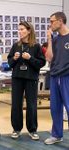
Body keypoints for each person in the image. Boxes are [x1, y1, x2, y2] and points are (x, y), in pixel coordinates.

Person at [7, 21, 46, 140]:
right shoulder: (16, 46)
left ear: (29, 31)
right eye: (18, 29)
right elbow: (10, 63)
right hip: (17, 78)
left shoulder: (36, 46)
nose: (19, 31)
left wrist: (30, 58)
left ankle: (32, 130)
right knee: (16, 104)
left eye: (22, 29)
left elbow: (41, 63)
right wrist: (14, 58)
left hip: (31, 79)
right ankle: (16, 129)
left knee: (31, 105)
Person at [44, 12, 69, 145]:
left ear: (60, 21)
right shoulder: (55, 39)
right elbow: (49, 58)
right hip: (54, 76)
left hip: (67, 77)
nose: (50, 24)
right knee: (55, 108)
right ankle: (57, 135)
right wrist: (49, 39)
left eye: (52, 21)